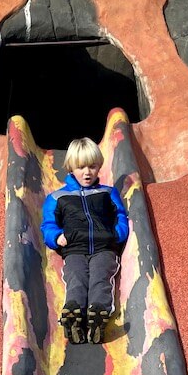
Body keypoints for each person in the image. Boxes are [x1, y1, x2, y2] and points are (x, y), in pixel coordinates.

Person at [41, 137, 129, 344]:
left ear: (99, 167)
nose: (87, 172)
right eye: (81, 167)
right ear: (71, 167)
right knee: (76, 278)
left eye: (92, 166)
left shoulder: (107, 193)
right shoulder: (57, 197)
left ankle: (97, 315)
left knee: (100, 277)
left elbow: (121, 216)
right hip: (74, 248)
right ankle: (73, 312)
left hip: (104, 247)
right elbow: (48, 225)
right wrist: (56, 237)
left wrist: (117, 234)